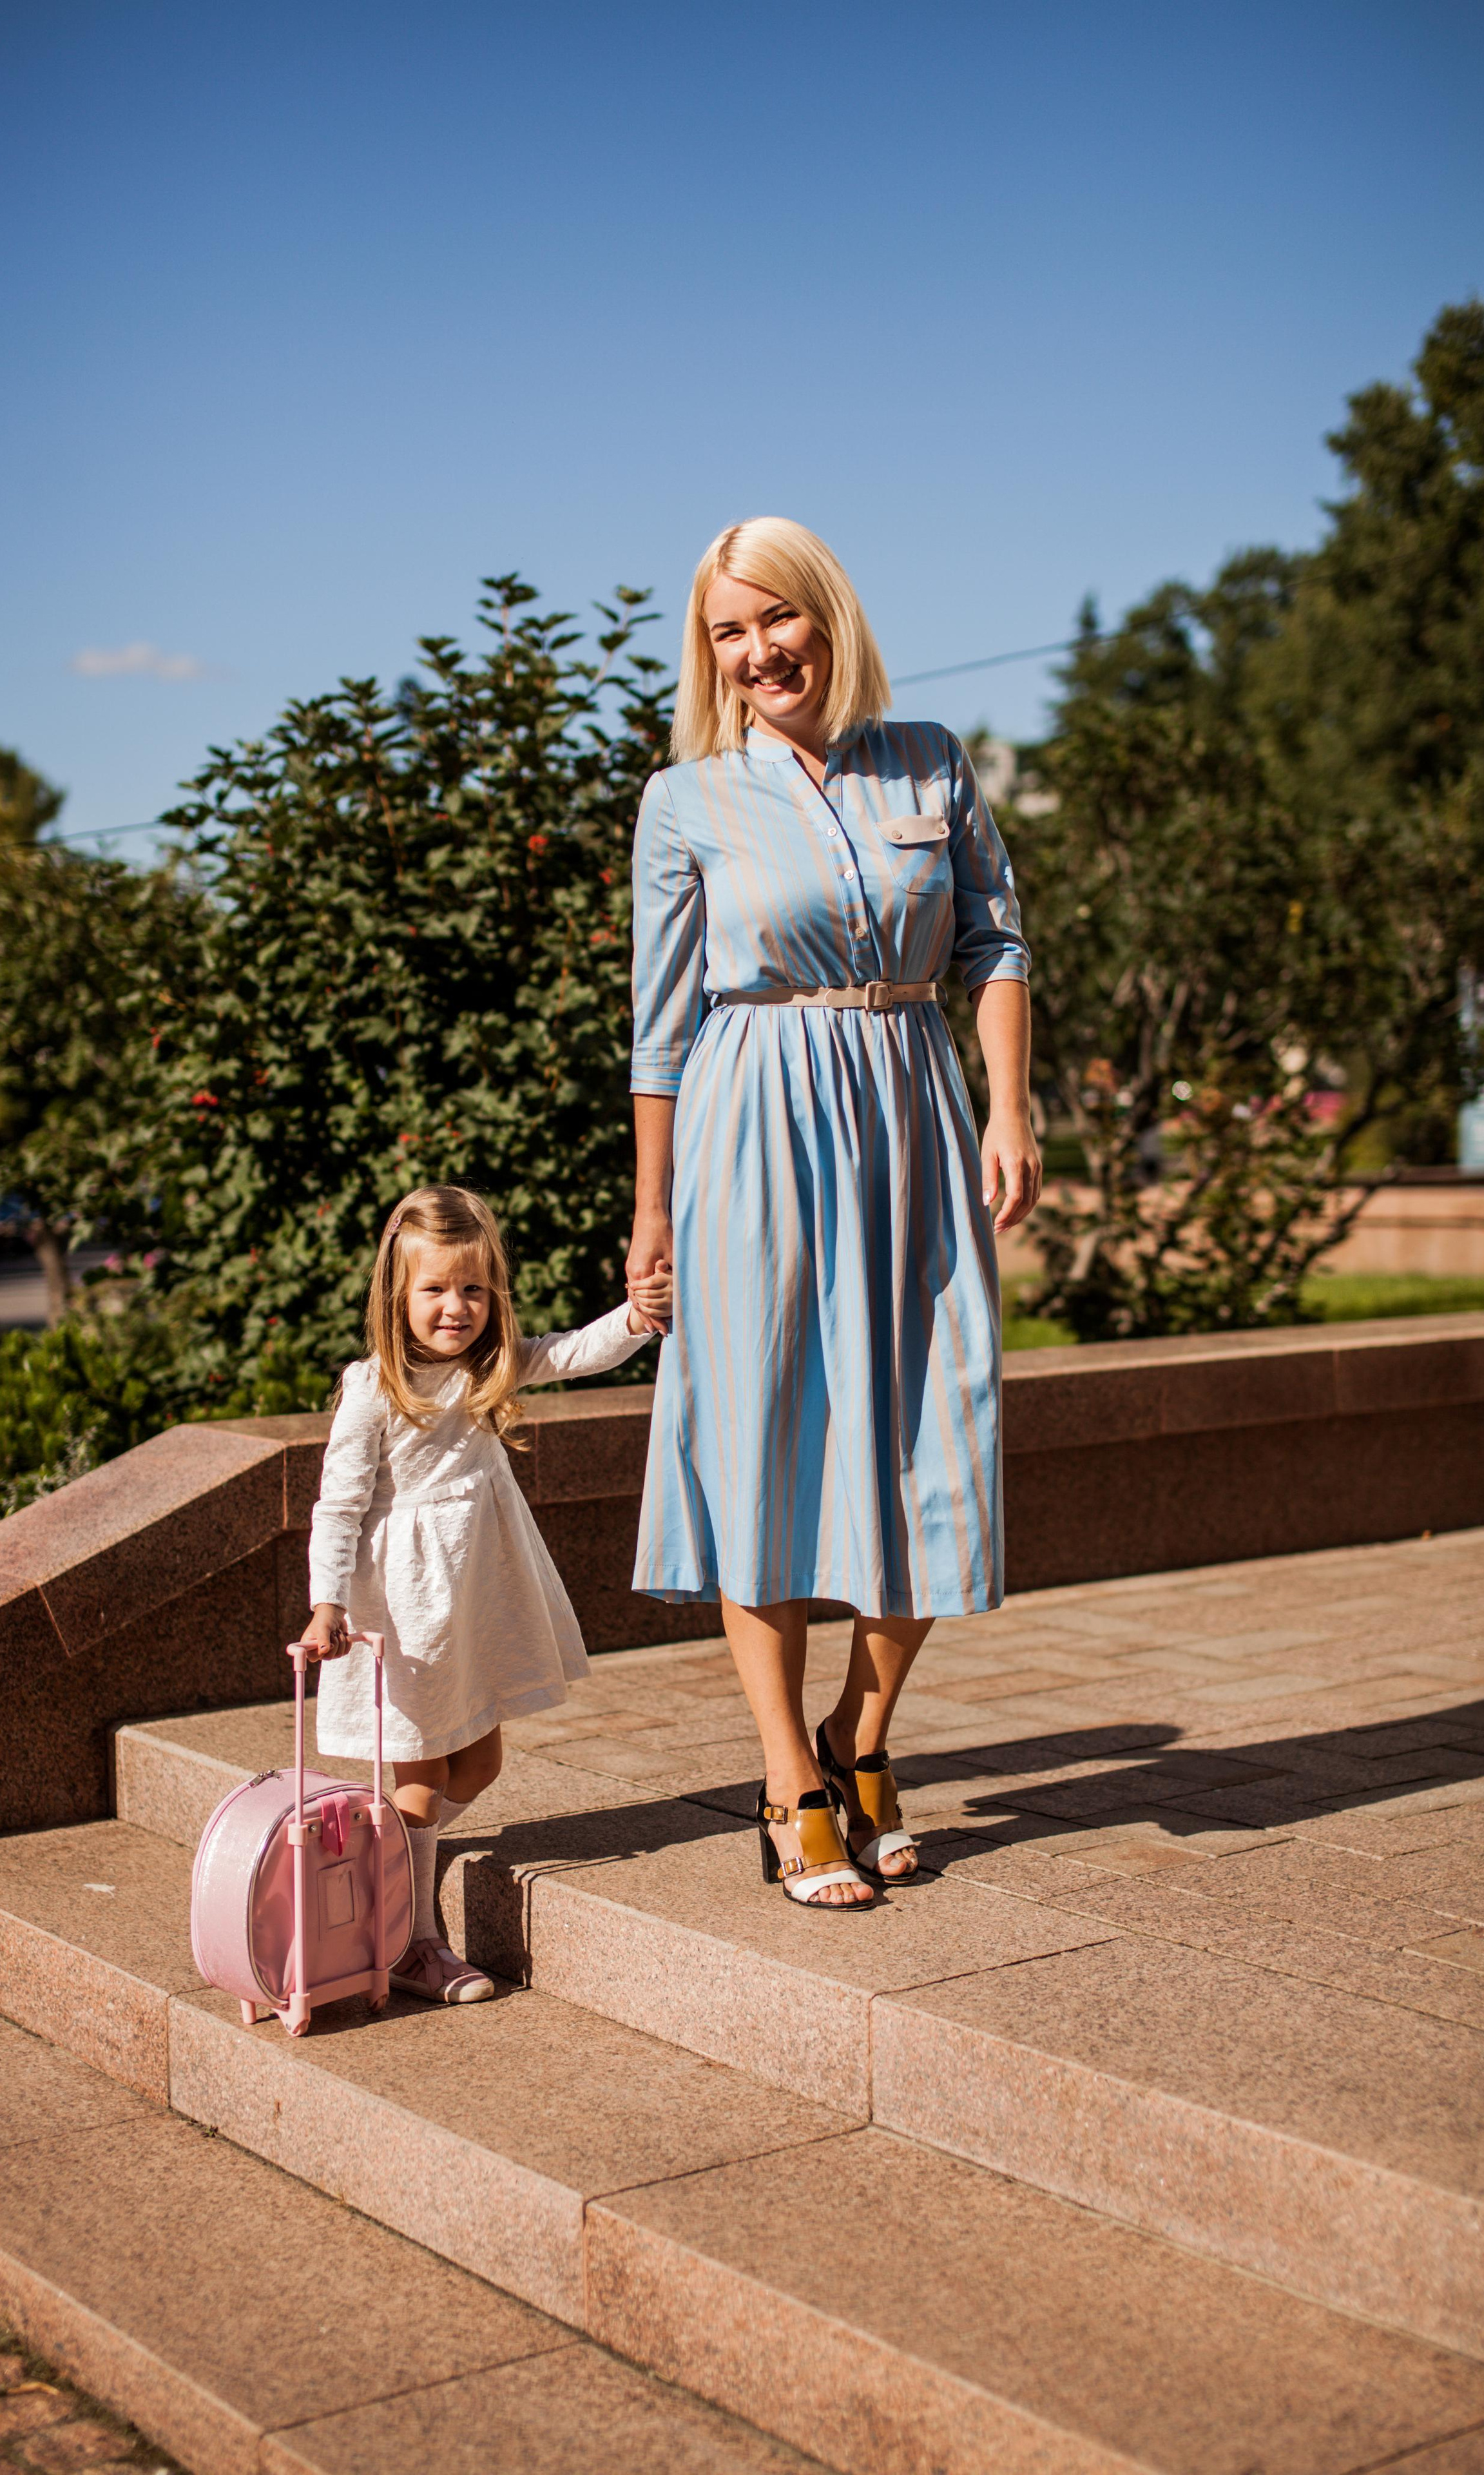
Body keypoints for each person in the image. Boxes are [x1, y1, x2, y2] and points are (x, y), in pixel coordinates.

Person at [625, 518, 1041, 1910]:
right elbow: (660, 1030)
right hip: (752, 1130)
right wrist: (652, 1217)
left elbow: (993, 940)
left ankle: (858, 1742)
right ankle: (788, 1785)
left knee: (940, 1433)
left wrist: (1009, 1106)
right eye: (727, 635)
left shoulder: (926, 756)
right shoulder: (683, 800)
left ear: (826, 617)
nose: (756, 654)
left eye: (775, 621)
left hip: (913, 1113)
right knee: (763, 1449)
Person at [303, 1185, 670, 2001]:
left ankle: (384, 1860)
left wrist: (638, 1315)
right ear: (396, 1295)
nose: (455, 1307)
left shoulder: (488, 1364)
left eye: (472, 1289)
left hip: (477, 1597)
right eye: (433, 1289)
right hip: (407, 1609)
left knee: (484, 1758)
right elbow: (338, 1504)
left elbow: (580, 1351)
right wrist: (328, 1603)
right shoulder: (374, 1387)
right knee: (424, 1775)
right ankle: (410, 1939)